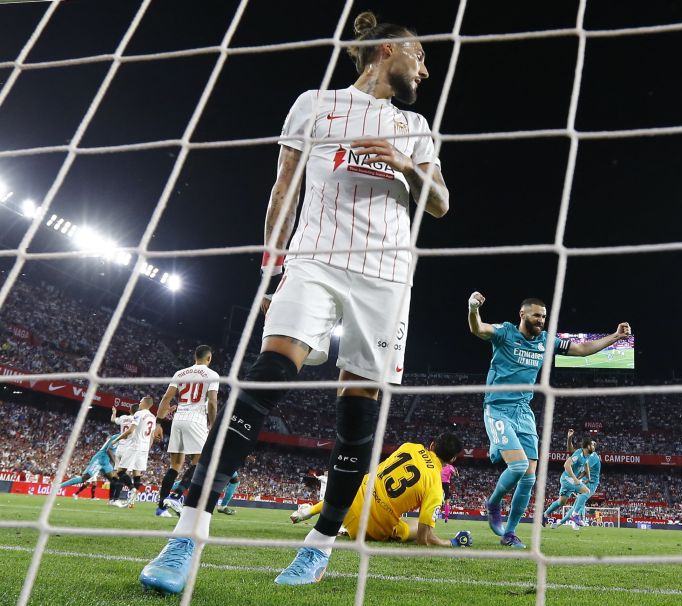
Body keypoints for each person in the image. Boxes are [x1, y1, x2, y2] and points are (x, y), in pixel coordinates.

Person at [140, 10, 449, 594]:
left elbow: (440, 203)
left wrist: (408, 165)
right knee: (267, 375)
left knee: (357, 411)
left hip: (386, 276)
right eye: (421, 55)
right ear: (387, 50)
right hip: (315, 259)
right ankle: (186, 535)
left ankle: (319, 545)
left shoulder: (414, 126)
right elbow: (284, 187)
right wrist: (270, 271)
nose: (426, 70)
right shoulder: (315, 104)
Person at [468, 292, 630, 548]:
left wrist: (615, 337)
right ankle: (494, 502)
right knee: (519, 467)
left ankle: (509, 533)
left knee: (529, 477)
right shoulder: (505, 333)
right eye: (536, 315)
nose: (541, 320)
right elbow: (478, 329)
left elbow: (582, 349)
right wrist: (473, 308)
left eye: (544, 316)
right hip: (498, 408)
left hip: (523, 412)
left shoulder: (546, 341)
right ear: (522, 314)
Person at [275, 434, 471, 585]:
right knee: (411, 525)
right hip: (369, 528)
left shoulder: (409, 446)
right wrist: (450, 543)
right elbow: (423, 539)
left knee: (365, 483)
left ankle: (310, 511)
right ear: (453, 459)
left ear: (432, 445)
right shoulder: (435, 486)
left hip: (348, 503)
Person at [154, 345, 219, 517]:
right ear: (209, 358)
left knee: (175, 466)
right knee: (200, 462)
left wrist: (158, 422)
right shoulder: (212, 375)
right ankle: (176, 496)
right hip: (196, 420)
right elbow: (212, 402)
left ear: (194, 357)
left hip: (178, 420)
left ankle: (161, 508)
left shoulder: (180, 373)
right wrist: (213, 425)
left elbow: (166, 398)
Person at [114, 397, 160, 508]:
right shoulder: (153, 417)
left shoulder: (139, 414)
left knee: (120, 471)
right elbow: (152, 436)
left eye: (140, 401)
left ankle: (132, 489)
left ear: (145, 403)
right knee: (137, 474)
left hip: (135, 445)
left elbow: (130, 430)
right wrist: (148, 448)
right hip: (144, 448)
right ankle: (132, 502)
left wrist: (117, 439)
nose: (139, 403)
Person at [542, 437, 596, 528]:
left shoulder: (586, 455)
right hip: (568, 479)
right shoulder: (578, 454)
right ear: (588, 446)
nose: (594, 447)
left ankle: (544, 514)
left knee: (561, 502)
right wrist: (575, 479)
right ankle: (575, 515)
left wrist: (589, 477)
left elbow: (586, 464)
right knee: (586, 491)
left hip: (566, 480)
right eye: (592, 445)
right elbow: (566, 464)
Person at [59, 432, 126, 499]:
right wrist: (116, 463)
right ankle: (58, 486)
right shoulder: (117, 437)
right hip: (100, 459)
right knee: (84, 478)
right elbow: (109, 450)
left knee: (114, 479)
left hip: (106, 462)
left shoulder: (123, 441)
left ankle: (113, 500)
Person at [564, 428, 600, 527]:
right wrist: (569, 438)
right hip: (584, 480)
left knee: (580, 499)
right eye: (591, 444)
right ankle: (572, 518)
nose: (591, 445)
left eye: (593, 444)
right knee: (579, 500)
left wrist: (576, 479)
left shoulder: (594, 457)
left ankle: (572, 519)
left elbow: (585, 471)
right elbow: (570, 450)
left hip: (591, 482)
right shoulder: (583, 453)